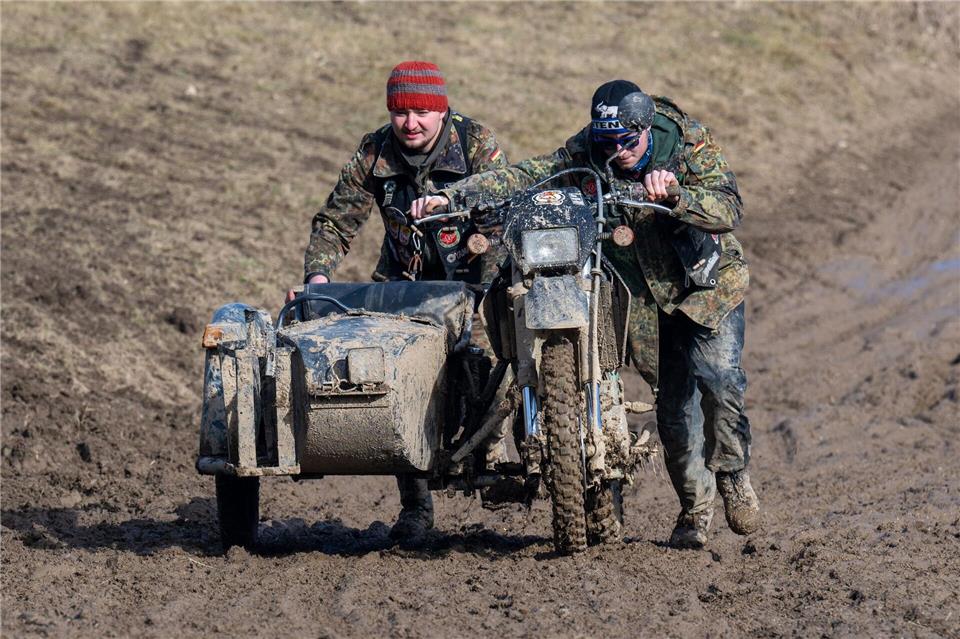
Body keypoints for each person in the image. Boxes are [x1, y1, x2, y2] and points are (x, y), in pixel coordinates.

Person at [410, 80, 761, 549]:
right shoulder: (590, 149)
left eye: (628, 143)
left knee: (718, 379)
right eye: (608, 142)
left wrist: (678, 196)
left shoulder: (686, 141)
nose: (617, 154)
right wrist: (455, 198)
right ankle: (695, 511)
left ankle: (733, 474)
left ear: (645, 131)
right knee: (674, 412)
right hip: (640, 297)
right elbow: (533, 173)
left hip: (706, 287)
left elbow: (729, 206)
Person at [297, 61, 509, 542]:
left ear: (441, 111)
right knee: (395, 381)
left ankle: (488, 452)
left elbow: (502, 213)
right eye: (400, 112)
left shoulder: (476, 144)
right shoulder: (375, 152)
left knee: (493, 368)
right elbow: (336, 220)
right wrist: (319, 275)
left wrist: (483, 287)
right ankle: (416, 506)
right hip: (404, 286)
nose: (410, 123)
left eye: (421, 112)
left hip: (473, 285)